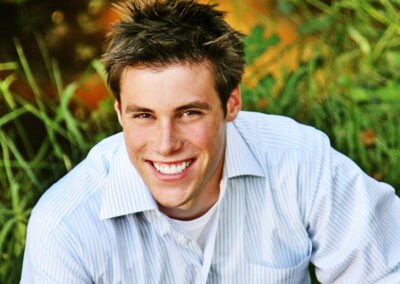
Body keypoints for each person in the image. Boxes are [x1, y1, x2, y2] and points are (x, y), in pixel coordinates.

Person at [20, 0, 400, 283]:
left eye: (189, 113)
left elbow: (386, 271)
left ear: (231, 103)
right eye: (144, 115)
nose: (166, 144)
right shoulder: (65, 227)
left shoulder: (300, 162)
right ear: (120, 114)